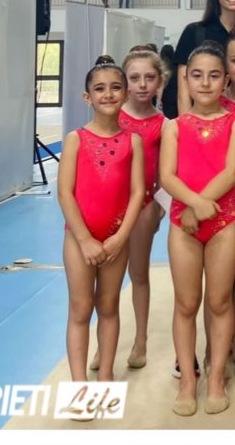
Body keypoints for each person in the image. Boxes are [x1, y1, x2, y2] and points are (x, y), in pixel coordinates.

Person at [159, 42, 235, 415]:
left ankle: (216, 377)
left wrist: (201, 204)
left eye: (214, 76)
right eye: (197, 75)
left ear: (225, 80)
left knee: (219, 301)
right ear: (186, 80)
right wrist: (193, 206)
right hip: (184, 223)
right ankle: (187, 379)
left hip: (223, 221)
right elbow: (167, 176)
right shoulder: (175, 126)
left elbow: (232, 171)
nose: (206, 83)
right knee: (186, 302)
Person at [57, 62, 144, 387]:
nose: (108, 94)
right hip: (79, 239)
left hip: (114, 239)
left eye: (115, 87)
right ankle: (79, 384)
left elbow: (137, 193)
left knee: (108, 306)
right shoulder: (76, 139)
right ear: (87, 97)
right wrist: (84, 239)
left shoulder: (132, 141)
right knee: (81, 308)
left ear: (126, 94)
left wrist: (121, 237)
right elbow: (65, 193)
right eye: (99, 88)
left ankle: (106, 375)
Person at [88, 49, 167, 373]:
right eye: (135, 78)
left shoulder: (163, 125)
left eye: (149, 78)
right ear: (124, 83)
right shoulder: (112, 117)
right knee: (106, 280)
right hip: (109, 206)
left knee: (138, 274)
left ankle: (140, 340)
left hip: (144, 205)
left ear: (160, 82)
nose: (142, 85)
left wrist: (160, 207)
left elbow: (166, 171)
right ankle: (102, 344)